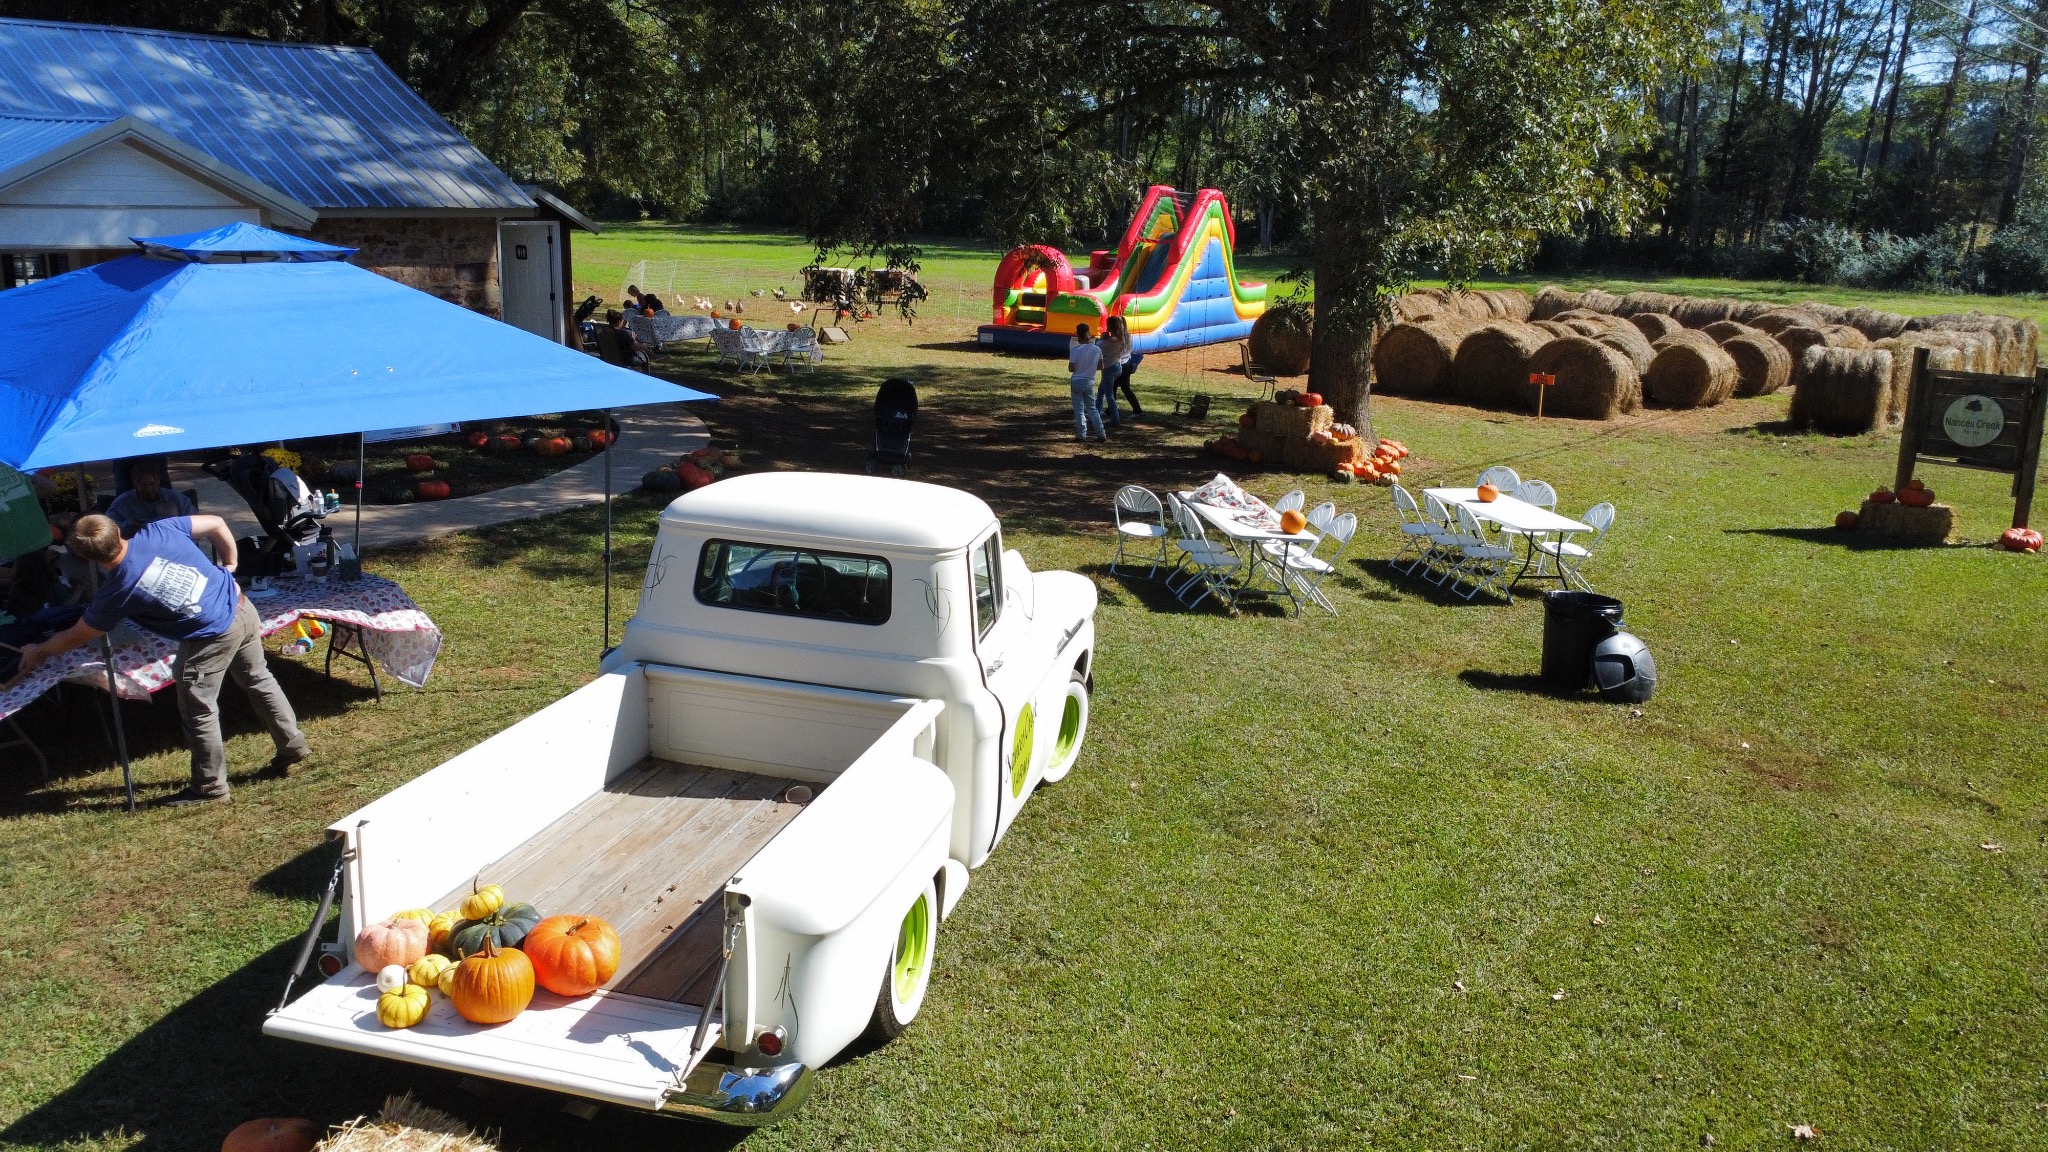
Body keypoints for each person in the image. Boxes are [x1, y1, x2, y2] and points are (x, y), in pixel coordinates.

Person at [17, 514, 311, 806]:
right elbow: (217, 523)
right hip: (242, 609)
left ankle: (210, 788)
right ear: (117, 530)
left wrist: (39, 651)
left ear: (86, 557)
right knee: (259, 679)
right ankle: (293, 746)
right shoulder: (157, 530)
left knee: (199, 710)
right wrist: (230, 565)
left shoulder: (118, 590)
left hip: (210, 636)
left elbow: (76, 635)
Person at [105, 461, 196, 536]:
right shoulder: (122, 502)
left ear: (158, 480)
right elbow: (107, 527)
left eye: (152, 484)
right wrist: (129, 526)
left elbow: (194, 522)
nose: (149, 489)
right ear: (135, 482)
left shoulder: (175, 498)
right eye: (144, 485)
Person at [1100, 315, 1144, 419]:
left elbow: (1103, 348)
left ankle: (1112, 412)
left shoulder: (1114, 340)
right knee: (1125, 388)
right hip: (1127, 363)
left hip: (1119, 364)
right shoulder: (1128, 336)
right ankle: (1137, 410)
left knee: (1113, 389)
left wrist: (1103, 339)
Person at [1068, 324, 1105, 442]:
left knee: (1079, 409)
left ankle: (1082, 434)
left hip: (1077, 380)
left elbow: (1071, 368)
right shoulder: (1097, 349)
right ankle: (1101, 433)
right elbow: (1101, 366)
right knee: (1092, 408)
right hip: (1089, 381)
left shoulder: (1075, 350)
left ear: (1078, 335)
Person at [1095, 316, 1131, 429]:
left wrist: (1101, 339)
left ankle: (1115, 418)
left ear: (1111, 326)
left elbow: (1098, 348)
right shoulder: (1122, 338)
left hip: (1109, 368)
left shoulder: (1111, 341)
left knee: (1109, 395)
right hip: (1116, 366)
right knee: (1101, 391)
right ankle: (1096, 413)